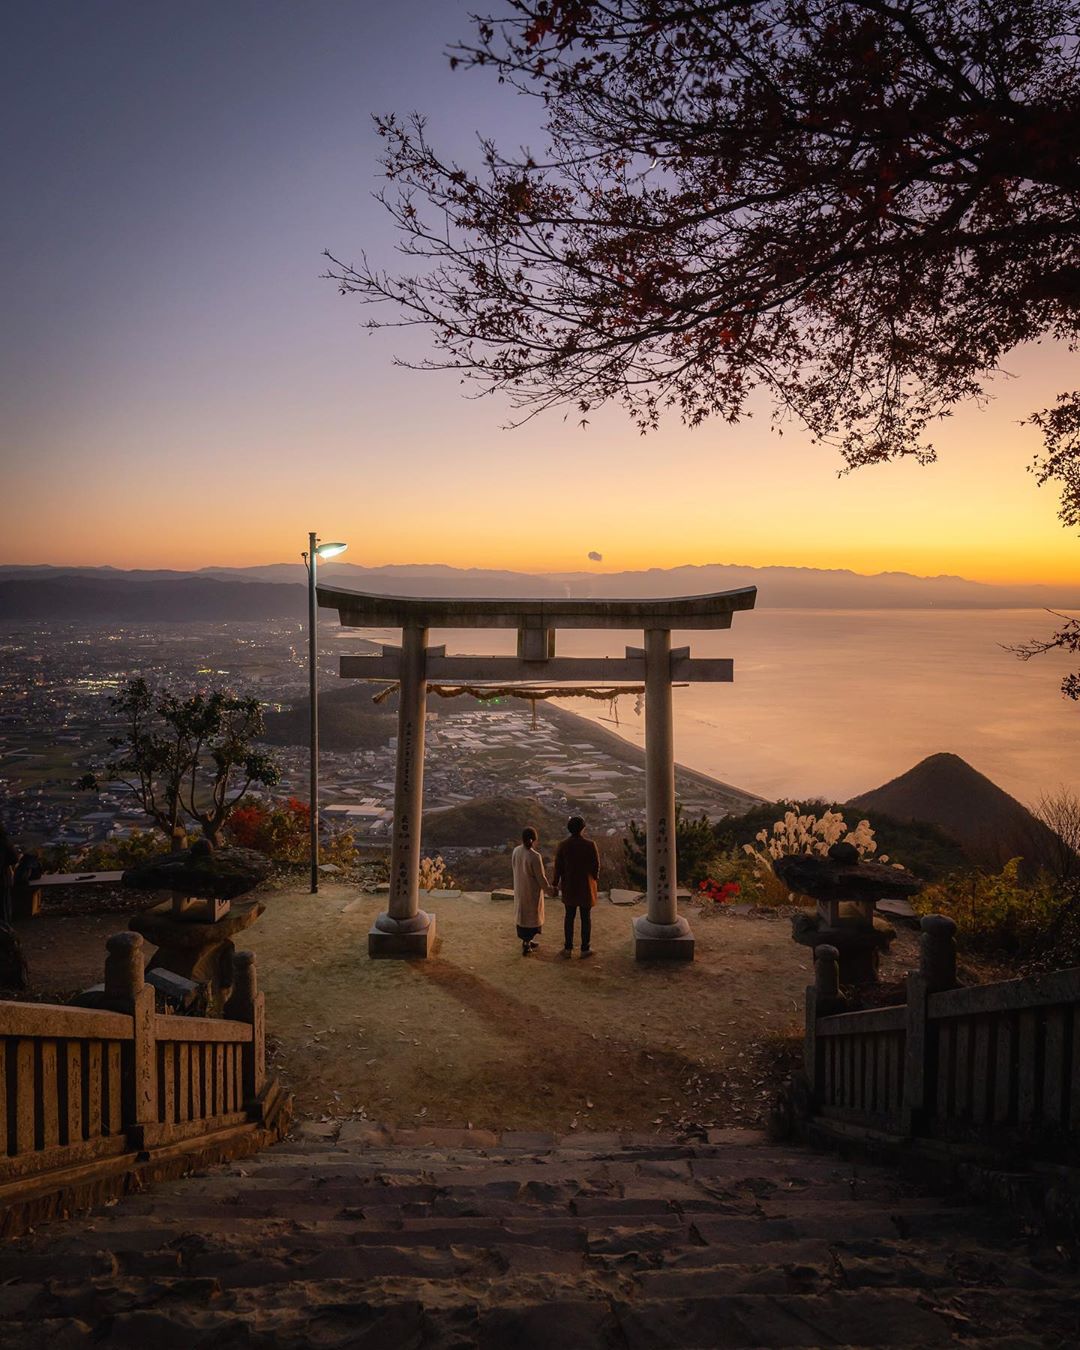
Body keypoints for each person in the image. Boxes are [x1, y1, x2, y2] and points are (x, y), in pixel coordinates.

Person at [554, 815, 600, 958]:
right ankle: (585, 949)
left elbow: (558, 867)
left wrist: (555, 883)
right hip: (586, 886)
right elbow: (596, 865)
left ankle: (568, 949)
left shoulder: (563, 845)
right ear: (583, 828)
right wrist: (594, 878)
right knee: (586, 918)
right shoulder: (590, 844)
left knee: (569, 917)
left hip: (569, 886)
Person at [511, 826, 555, 956]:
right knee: (531, 919)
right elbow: (541, 878)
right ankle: (527, 943)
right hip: (531, 891)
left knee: (522, 917)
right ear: (534, 840)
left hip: (520, 888)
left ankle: (527, 941)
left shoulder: (516, 851)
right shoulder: (534, 856)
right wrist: (550, 891)